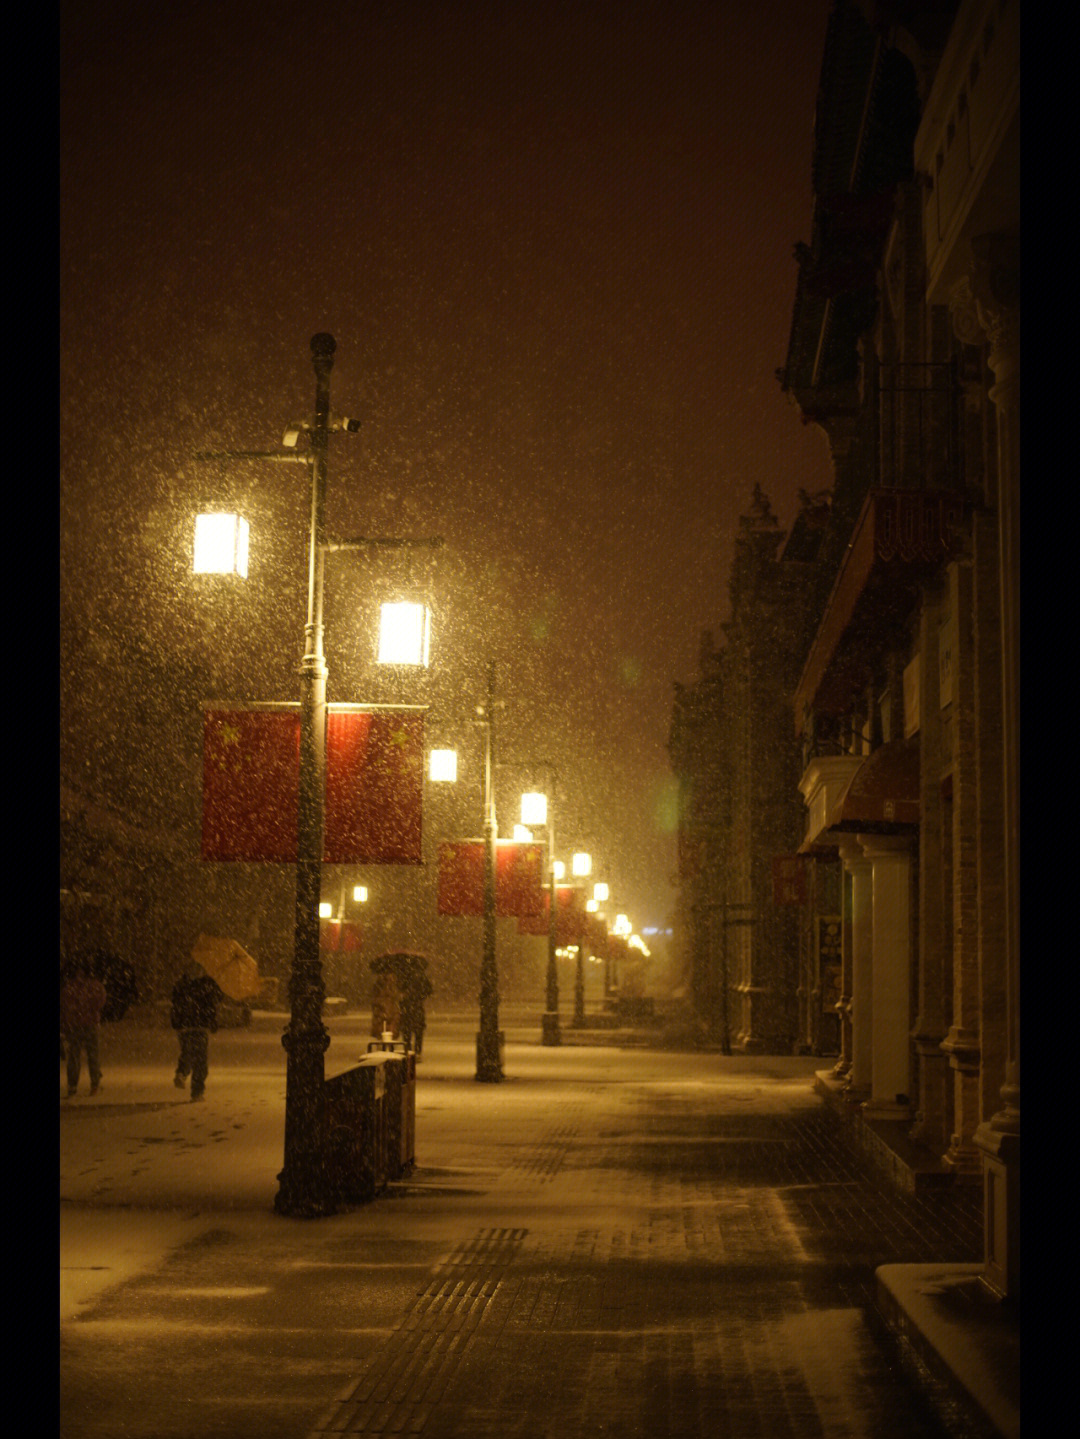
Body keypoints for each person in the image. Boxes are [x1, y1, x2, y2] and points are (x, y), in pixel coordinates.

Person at [170, 961, 222, 1101]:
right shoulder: (208, 985)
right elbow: (213, 1005)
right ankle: (197, 1092)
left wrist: (177, 1023)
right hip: (200, 1026)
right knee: (200, 1060)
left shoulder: (182, 985)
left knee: (187, 1052)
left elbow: (175, 1004)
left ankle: (182, 1072)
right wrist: (213, 1023)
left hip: (184, 1026)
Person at [60, 962, 108, 1097]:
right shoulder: (95, 986)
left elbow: (65, 1006)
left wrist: (71, 1016)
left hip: (75, 1025)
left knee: (74, 1057)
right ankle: (94, 1083)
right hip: (89, 1025)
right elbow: (100, 1001)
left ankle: (73, 1086)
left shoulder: (70, 988)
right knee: (92, 1055)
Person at [399, 966, 433, 1056]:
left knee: (407, 1031)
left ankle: (408, 1052)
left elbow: (399, 991)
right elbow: (429, 990)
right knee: (418, 1031)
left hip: (407, 1007)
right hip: (417, 1006)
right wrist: (421, 996)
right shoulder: (421, 977)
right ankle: (417, 1052)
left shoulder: (403, 977)